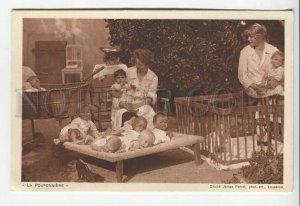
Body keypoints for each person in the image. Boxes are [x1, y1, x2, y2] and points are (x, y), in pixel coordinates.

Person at [114, 49, 158, 130]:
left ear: (147, 64)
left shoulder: (153, 77)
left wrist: (136, 106)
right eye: (136, 63)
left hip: (142, 105)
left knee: (147, 118)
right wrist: (126, 105)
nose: (137, 66)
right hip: (126, 103)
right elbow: (119, 91)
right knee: (124, 115)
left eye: (140, 64)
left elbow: (150, 98)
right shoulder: (127, 72)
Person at [238, 23, 282, 98]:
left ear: (259, 37)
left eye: (251, 37)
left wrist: (277, 82)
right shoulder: (245, 52)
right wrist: (255, 87)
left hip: (272, 90)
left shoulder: (273, 50)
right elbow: (242, 76)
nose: (248, 39)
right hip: (253, 91)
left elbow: (284, 70)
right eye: (248, 37)